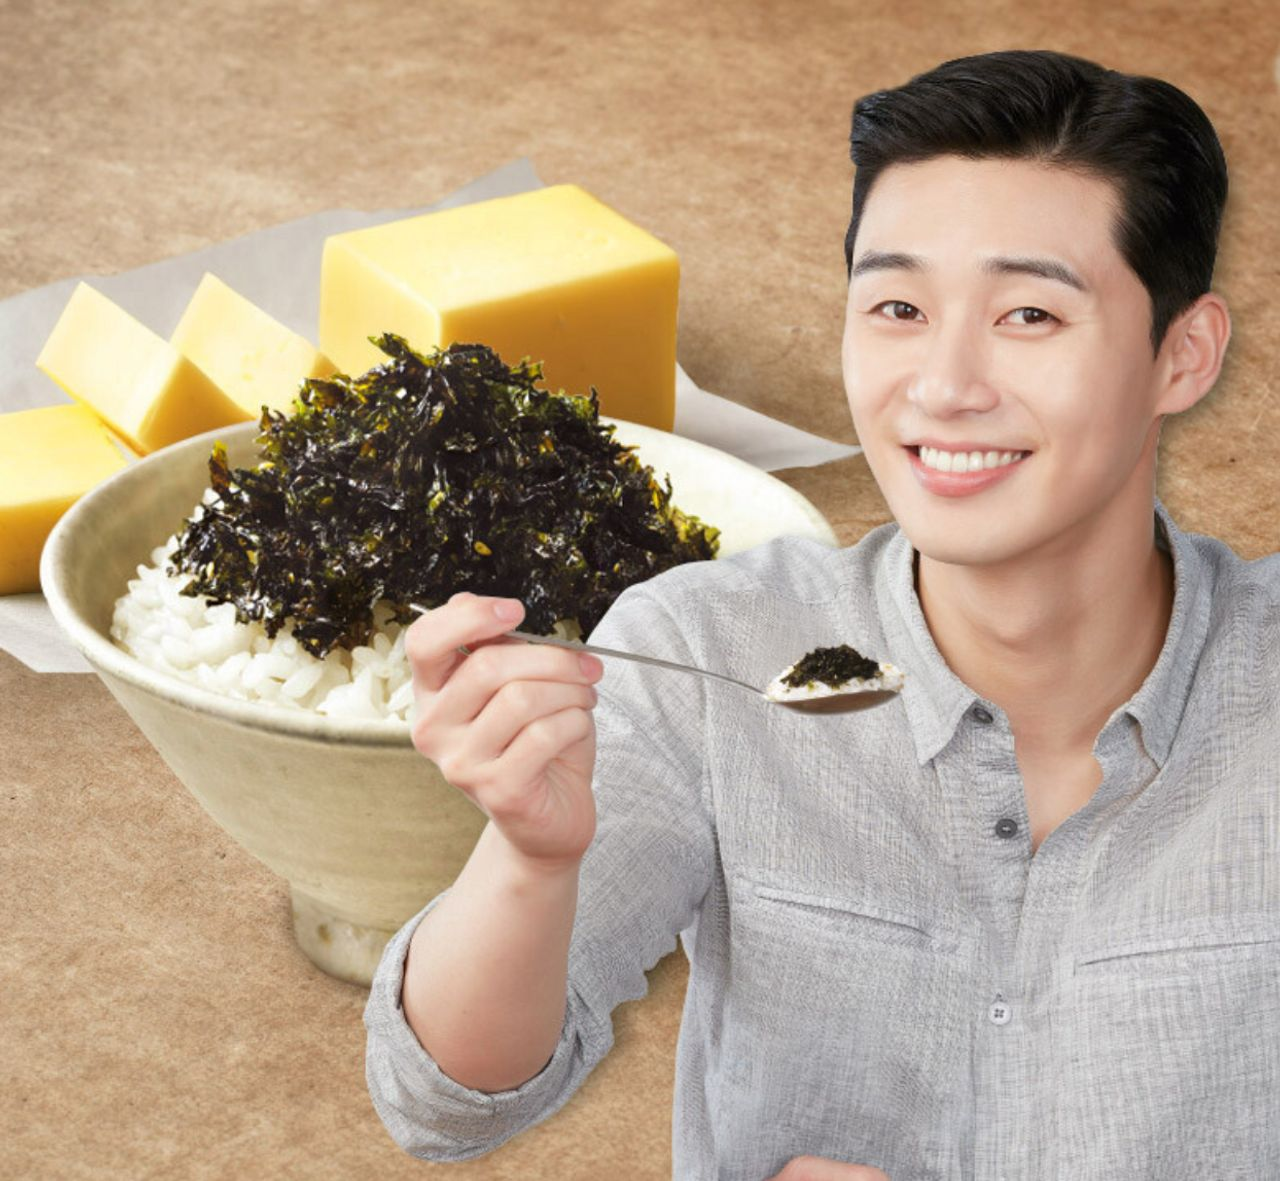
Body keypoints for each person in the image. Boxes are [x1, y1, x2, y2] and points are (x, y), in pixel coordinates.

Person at [361, 49, 1278, 1180]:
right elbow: (443, 1099)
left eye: (1028, 314)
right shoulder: (708, 649)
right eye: (896, 306)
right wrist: (528, 855)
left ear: (1181, 355)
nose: (942, 384)